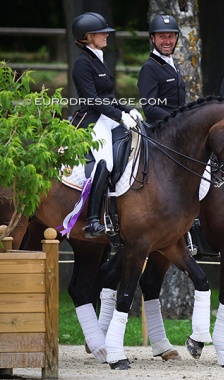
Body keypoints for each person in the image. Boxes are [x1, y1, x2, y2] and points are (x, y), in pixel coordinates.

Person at [71, 12, 143, 238]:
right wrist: (119, 116)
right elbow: (93, 100)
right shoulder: (82, 64)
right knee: (106, 161)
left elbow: (108, 95)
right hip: (91, 122)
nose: (106, 36)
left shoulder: (98, 57)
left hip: (107, 117)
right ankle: (93, 220)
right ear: (88, 37)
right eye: (102, 33)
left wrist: (127, 109)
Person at [137, 14, 186, 125]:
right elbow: (149, 108)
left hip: (178, 128)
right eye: (162, 37)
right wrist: (176, 119)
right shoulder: (149, 68)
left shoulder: (172, 65)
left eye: (171, 36)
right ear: (153, 38)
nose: (167, 42)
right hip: (160, 130)